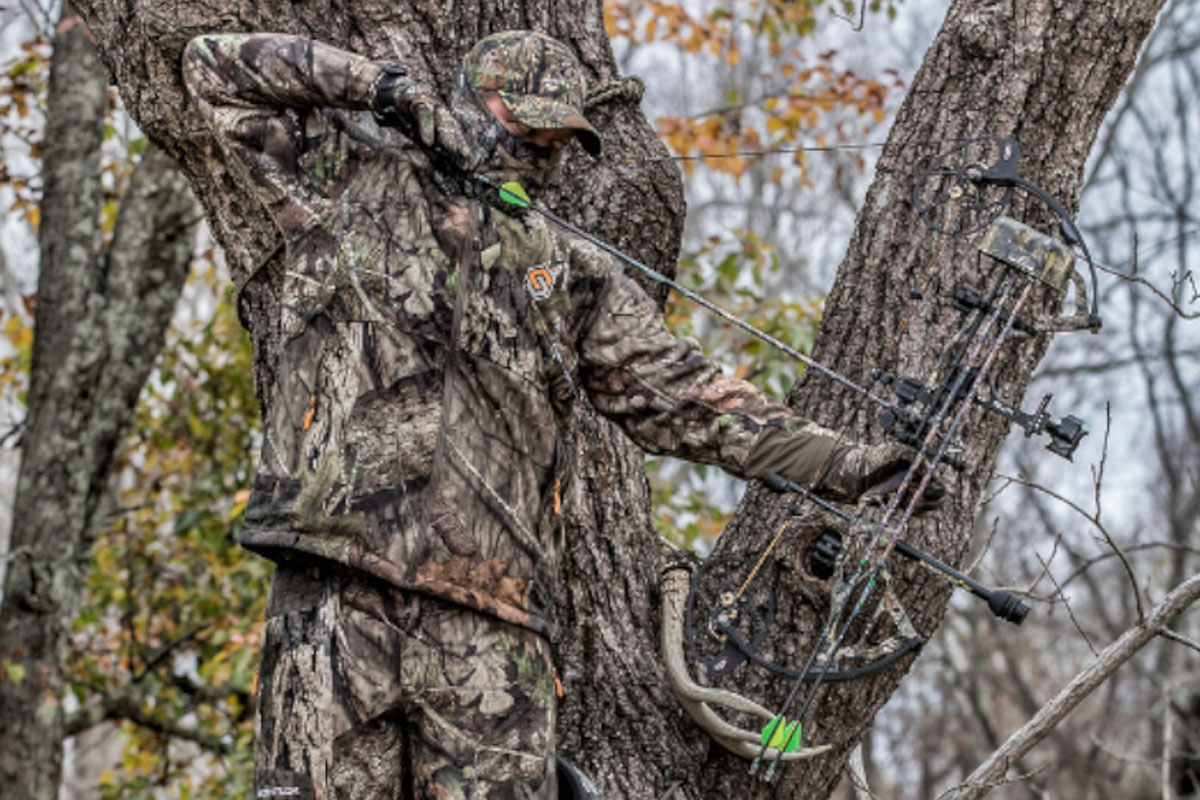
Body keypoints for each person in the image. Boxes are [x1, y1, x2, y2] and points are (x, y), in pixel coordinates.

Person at [182, 29, 921, 800]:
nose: (541, 145)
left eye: (557, 133)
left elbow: (686, 394)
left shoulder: (567, 272)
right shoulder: (352, 175)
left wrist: (845, 464)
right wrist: (377, 86)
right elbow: (211, 66)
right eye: (525, 120)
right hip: (333, 586)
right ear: (468, 104)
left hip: (491, 622)